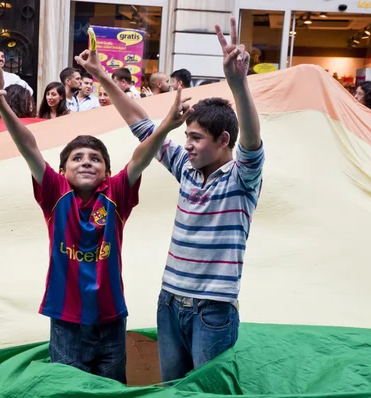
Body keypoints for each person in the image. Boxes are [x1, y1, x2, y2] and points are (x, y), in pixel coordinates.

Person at [0, 46, 191, 384]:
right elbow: (28, 146)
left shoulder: (117, 195)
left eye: (95, 158)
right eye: (77, 158)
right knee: (68, 391)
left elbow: (142, 154)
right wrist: (1, 103)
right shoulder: (54, 193)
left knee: (111, 391)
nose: (86, 162)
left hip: (111, 320)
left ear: (107, 172)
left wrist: (167, 124)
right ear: (62, 169)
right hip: (65, 321)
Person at [123, 16, 263, 382]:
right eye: (186, 136)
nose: (187, 144)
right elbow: (142, 128)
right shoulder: (185, 166)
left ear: (223, 140)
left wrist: (238, 83)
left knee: (207, 391)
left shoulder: (242, 178)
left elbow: (251, 140)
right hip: (169, 303)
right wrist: (106, 80)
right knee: (173, 388)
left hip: (212, 312)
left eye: (197, 137)